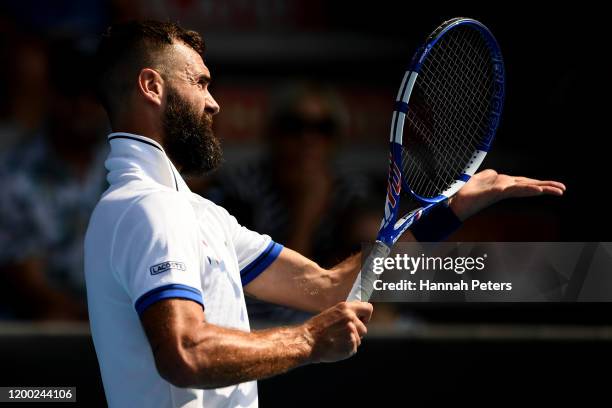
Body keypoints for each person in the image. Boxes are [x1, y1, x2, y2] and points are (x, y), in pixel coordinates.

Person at [85, 20, 565, 408]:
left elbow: (329, 287)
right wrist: (309, 341)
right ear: (151, 86)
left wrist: (448, 213)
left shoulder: (193, 213)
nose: (214, 103)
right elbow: (185, 353)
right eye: (201, 83)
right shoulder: (149, 206)